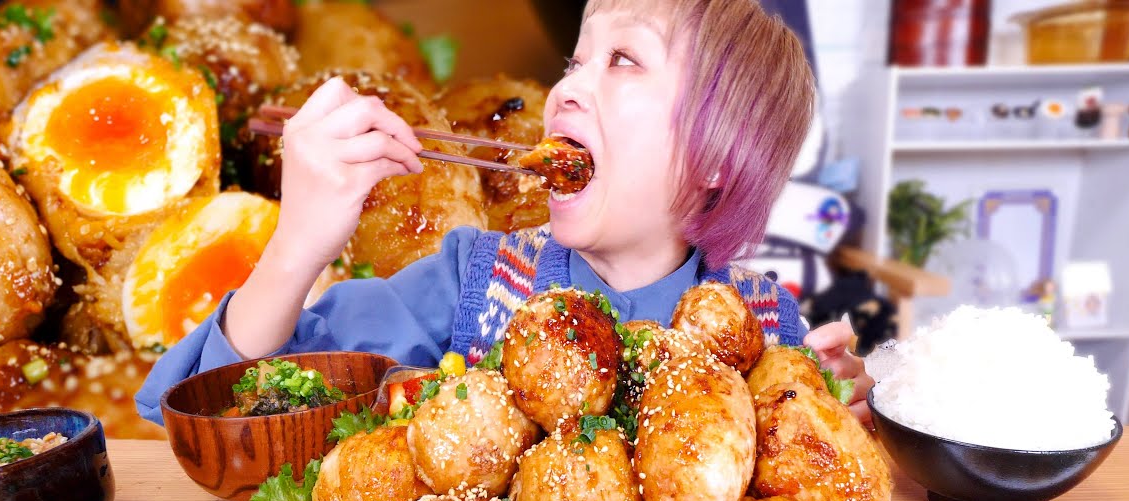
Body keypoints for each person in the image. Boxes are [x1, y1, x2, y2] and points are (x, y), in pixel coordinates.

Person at [135, 0, 874, 426]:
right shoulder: (472, 283)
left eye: (624, 61)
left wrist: (831, 412)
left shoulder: (762, 328)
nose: (567, 91)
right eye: (574, 63)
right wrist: (296, 246)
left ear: (719, 156)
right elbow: (215, 410)